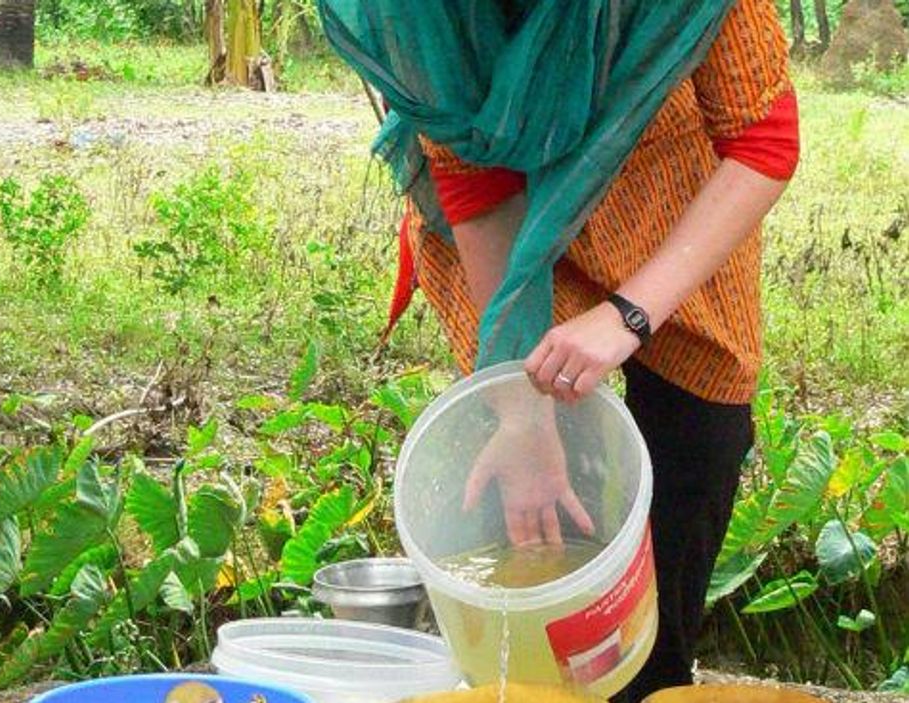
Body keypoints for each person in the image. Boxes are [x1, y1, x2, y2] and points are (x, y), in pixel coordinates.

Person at [321, 1, 798, 700]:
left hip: (673, 198)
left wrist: (628, 313)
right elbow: (474, 181)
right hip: (510, 228)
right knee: (542, 467)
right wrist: (519, 411)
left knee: (700, 439)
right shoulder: (420, 14)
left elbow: (763, 143)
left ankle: (658, 671)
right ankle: (543, 681)